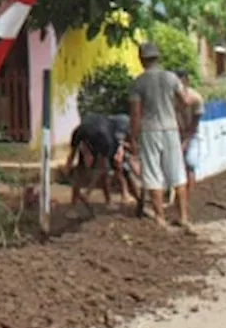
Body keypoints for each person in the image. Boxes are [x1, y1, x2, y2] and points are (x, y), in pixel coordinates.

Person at [129, 42, 194, 231]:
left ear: (141, 60)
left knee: (152, 173)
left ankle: (160, 218)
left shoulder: (138, 83)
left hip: (150, 130)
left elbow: (136, 114)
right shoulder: (171, 78)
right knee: (177, 174)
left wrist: (133, 137)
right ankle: (183, 217)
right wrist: (180, 118)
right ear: (158, 58)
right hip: (171, 128)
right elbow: (186, 100)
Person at [64, 113, 137, 215]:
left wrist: (88, 192)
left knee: (105, 172)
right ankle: (73, 208)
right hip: (92, 134)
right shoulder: (79, 133)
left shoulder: (107, 140)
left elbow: (101, 168)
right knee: (79, 172)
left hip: (105, 138)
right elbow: (72, 154)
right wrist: (67, 168)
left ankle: (109, 201)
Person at [175, 71, 205, 194]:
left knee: (190, 162)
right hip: (175, 133)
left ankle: (190, 194)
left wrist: (186, 141)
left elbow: (195, 124)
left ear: (186, 82)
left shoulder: (196, 99)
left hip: (191, 134)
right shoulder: (170, 99)